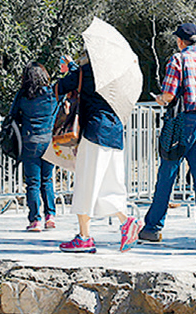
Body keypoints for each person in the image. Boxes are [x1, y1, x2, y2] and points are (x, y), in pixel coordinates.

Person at [141, 24, 196, 246]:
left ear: (180, 41)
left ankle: (153, 228)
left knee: (167, 174)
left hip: (183, 121)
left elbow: (169, 94)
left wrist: (160, 99)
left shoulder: (178, 60)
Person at [56, 55, 140, 253]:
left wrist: (71, 69)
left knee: (86, 184)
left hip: (94, 131)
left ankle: (84, 237)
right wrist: (76, 68)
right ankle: (126, 221)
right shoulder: (117, 73)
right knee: (107, 185)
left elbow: (60, 87)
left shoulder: (86, 72)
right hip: (115, 131)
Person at [10, 62, 58, 232]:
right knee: (48, 180)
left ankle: (35, 220)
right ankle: (50, 215)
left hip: (30, 141)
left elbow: (13, 115)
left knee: (32, 183)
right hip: (49, 141)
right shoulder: (52, 94)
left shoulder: (23, 96)